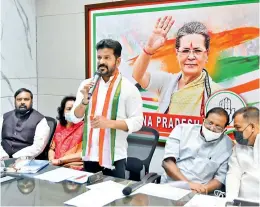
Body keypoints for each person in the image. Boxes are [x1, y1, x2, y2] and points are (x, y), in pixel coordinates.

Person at [70, 39, 143, 178]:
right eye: (99, 57)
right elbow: (75, 117)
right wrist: (84, 102)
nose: (101, 61)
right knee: (89, 196)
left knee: (114, 198)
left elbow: (138, 122)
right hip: (90, 155)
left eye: (107, 57)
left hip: (114, 157)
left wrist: (109, 123)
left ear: (118, 61)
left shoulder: (129, 88)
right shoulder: (87, 85)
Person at [132, 16, 222, 116]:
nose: (191, 56)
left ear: (207, 54)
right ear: (177, 53)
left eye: (197, 51)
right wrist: (148, 50)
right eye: (185, 51)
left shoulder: (216, 93)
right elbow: (138, 75)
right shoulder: (167, 82)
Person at [161, 107, 232, 194]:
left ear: (225, 129)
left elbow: (219, 179)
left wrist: (202, 190)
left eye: (218, 126)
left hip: (201, 191)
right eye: (210, 123)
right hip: (173, 185)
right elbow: (167, 163)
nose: (212, 128)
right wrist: (188, 185)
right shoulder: (182, 130)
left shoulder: (227, 145)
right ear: (203, 120)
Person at [0, 88, 50, 159]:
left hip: (26, 160)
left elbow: (38, 146)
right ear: (15, 101)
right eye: (19, 99)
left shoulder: (40, 120)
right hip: (2, 158)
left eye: (26, 99)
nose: (22, 102)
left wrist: (15, 157)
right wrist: (3, 155)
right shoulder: (4, 117)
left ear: (31, 101)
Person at [226, 106, 260, 201]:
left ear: (252, 127)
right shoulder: (238, 147)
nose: (236, 132)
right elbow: (233, 174)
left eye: (238, 128)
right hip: (242, 201)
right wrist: (230, 201)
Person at [48, 96, 84, 170]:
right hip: (55, 165)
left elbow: (83, 154)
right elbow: (52, 149)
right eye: (69, 109)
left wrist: (61, 160)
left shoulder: (85, 127)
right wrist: (51, 160)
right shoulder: (59, 126)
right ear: (63, 112)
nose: (72, 112)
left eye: (75, 109)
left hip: (74, 166)